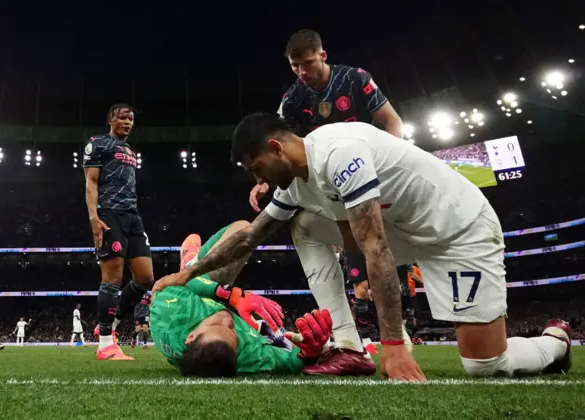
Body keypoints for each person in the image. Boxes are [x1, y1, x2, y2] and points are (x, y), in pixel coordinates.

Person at [158, 114, 573, 381]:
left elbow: (374, 248)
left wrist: (393, 347)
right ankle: (349, 346)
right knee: (301, 223)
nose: (257, 179)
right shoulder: (298, 182)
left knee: (486, 366)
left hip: (457, 231)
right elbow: (249, 237)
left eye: (256, 168)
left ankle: (556, 342)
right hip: (405, 230)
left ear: (275, 148)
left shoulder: (340, 153)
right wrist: (187, 273)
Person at [247, 29, 405, 362]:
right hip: (331, 187)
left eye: (307, 63)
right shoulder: (292, 99)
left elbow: (391, 120)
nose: (302, 72)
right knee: (328, 239)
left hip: (369, 176)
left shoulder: (355, 79)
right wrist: (265, 181)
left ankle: (395, 334)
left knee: (377, 256)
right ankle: (350, 338)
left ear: (322, 55)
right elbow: (277, 147)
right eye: (294, 66)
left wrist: (395, 159)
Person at [150, 224, 372, 377]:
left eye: (217, 325)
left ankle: (190, 263)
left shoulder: (170, 314)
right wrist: (311, 352)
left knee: (243, 229)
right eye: (233, 331)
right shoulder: (248, 357)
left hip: (197, 289)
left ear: (191, 336)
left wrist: (231, 295)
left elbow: (169, 284)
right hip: (208, 306)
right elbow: (292, 361)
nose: (227, 319)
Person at [83, 104, 155, 360]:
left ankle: (109, 325)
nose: (127, 122)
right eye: (122, 117)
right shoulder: (98, 143)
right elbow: (91, 181)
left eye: (131, 118)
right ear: (111, 119)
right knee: (112, 279)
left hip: (132, 215)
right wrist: (94, 217)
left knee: (146, 279)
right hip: (109, 213)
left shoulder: (129, 150)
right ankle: (105, 345)